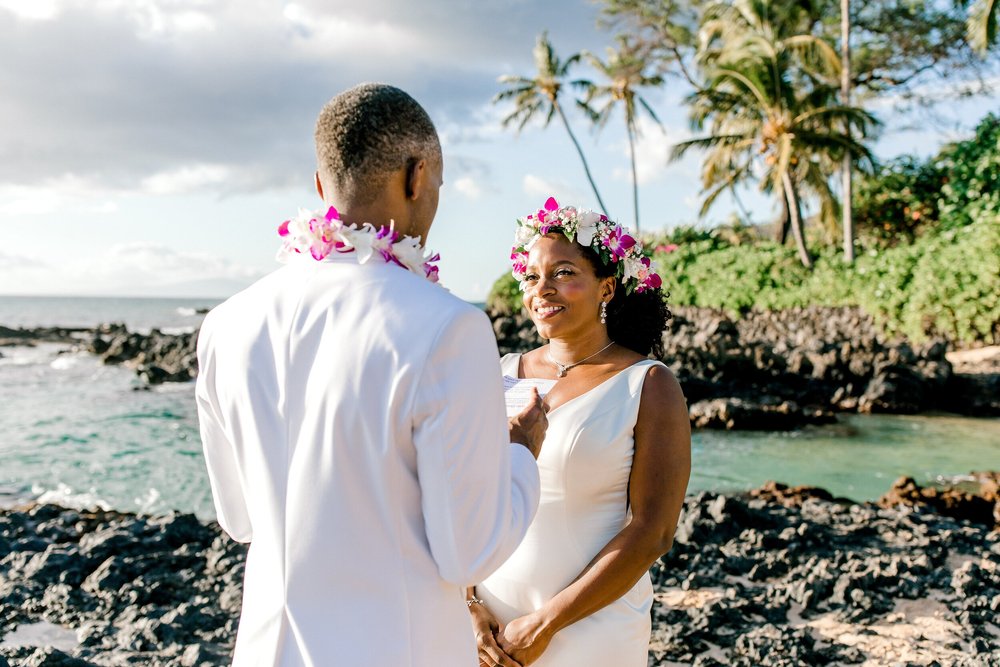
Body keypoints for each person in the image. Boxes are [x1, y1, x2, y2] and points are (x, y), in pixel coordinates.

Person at [195, 83, 547, 666]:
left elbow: (240, 518)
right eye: (437, 183)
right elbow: (470, 552)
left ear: (319, 186)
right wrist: (520, 454)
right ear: (416, 175)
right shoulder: (447, 328)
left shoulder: (227, 324)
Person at [468, 198, 691, 667]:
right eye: (531, 277)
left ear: (606, 288)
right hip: (489, 630)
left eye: (563, 272)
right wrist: (468, 604)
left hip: (591, 628)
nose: (542, 289)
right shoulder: (502, 372)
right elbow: (464, 497)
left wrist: (547, 622)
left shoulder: (647, 384)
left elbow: (654, 531)